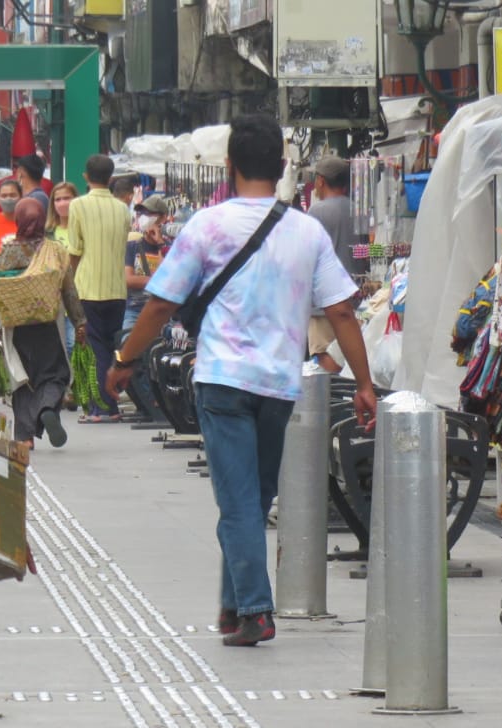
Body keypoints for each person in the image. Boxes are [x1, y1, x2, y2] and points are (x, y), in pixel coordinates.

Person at [108, 112, 378, 647]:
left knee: (238, 504)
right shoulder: (306, 231)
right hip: (279, 385)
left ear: (229, 167)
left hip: (222, 381)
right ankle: (234, 606)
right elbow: (343, 311)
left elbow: (161, 303)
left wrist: (124, 360)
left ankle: (255, 609)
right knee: (251, 501)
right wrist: (365, 383)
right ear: (282, 167)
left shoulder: (206, 226)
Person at [0, 197, 86, 448]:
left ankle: (24, 436)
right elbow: (69, 290)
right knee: (54, 374)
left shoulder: (8, 251)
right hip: (47, 324)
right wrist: (80, 322)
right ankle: (46, 409)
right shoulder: (55, 250)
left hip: (16, 327)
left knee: (21, 377)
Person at [67, 154, 132, 420]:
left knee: (95, 348)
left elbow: (75, 249)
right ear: (111, 178)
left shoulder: (78, 206)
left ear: (85, 177)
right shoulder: (122, 209)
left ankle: (102, 408)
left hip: (88, 287)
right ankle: (110, 404)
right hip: (117, 288)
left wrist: (68, 281)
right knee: (110, 343)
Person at [306, 156, 364, 369]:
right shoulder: (360, 210)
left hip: (323, 305)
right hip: (355, 301)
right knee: (347, 360)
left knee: (324, 363)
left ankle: (326, 403)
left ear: (321, 181)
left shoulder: (317, 212)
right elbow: (367, 251)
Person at [121, 194, 171, 344]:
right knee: (126, 344)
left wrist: (160, 243)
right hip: (135, 310)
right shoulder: (132, 246)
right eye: (142, 214)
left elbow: (169, 278)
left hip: (163, 312)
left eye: (150, 214)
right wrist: (157, 280)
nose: (144, 217)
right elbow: (128, 280)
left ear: (162, 218)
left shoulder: (169, 248)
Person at [49, 182, 77, 247]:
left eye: (66, 198)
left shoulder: (84, 230)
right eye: (57, 199)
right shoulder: (48, 232)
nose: (62, 203)